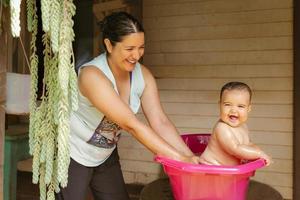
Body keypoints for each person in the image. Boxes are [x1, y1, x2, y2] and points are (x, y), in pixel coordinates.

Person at [55, 11, 200, 200]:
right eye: (129, 48)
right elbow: (131, 124)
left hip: (105, 154)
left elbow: (160, 122)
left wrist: (192, 160)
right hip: (72, 154)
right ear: (108, 44)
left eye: (141, 48)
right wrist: (179, 159)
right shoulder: (92, 75)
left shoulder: (143, 76)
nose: (136, 55)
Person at [199, 81, 272, 166]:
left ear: (248, 109)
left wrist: (258, 151)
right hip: (210, 167)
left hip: (227, 171)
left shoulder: (243, 126)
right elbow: (235, 149)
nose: (233, 110)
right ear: (220, 105)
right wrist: (259, 154)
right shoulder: (222, 128)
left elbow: (248, 144)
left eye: (240, 106)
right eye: (227, 105)